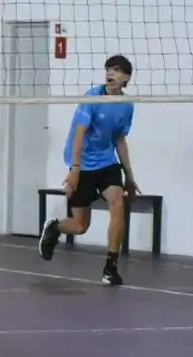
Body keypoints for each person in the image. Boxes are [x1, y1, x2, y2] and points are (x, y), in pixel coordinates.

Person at [38, 54, 139, 286]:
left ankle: (110, 267)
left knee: (118, 202)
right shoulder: (92, 97)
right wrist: (74, 168)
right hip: (82, 161)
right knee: (81, 226)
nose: (110, 74)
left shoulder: (126, 105)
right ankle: (54, 227)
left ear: (126, 77)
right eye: (108, 69)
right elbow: (79, 134)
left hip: (106, 161)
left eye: (116, 70)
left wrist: (130, 177)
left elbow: (120, 140)